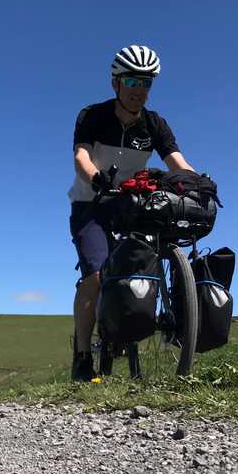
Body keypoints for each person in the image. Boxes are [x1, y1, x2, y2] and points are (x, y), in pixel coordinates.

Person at [69, 44, 197, 381]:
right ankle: (82, 356)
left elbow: (177, 163)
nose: (139, 90)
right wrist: (95, 178)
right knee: (96, 275)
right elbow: (81, 156)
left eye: (145, 83)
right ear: (116, 84)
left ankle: (132, 325)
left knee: (140, 267)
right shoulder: (93, 116)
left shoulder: (155, 124)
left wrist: (198, 182)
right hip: (92, 205)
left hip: (132, 206)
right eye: (131, 82)